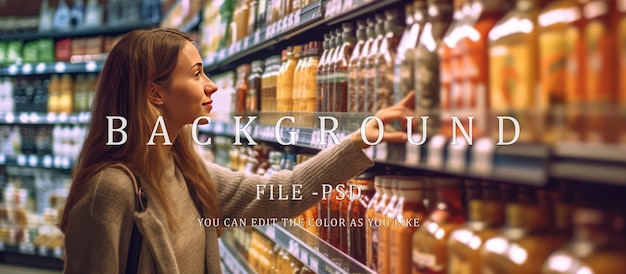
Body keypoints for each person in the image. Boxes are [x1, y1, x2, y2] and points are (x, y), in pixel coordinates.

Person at [59, 28, 415, 273]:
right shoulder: (108, 190)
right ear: (156, 94)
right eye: (196, 74)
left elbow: (282, 194)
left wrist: (360, 140)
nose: (211, 86)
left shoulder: (183, 169)